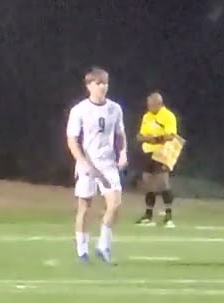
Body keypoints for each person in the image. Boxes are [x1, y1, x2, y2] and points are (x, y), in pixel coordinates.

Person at [65, 67, 128, 263]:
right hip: (87, 164)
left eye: (105, 83)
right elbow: (72, 139)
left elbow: (120, 134)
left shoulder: (115, 109)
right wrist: (83, 163)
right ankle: (82, 251)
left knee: (115, 203)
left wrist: (123, 153)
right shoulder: (79, 110)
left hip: (108, 163)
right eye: (98, 83)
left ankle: (103, 246)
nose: (103, 87)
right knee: (85, 207)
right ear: (89, 86)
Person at [135, 92, 179, 228]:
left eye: (152, 105)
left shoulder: (168, 116)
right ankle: (148, 216)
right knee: (148, 184)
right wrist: (152, 139)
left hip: (162, 153)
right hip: (147, 153)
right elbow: (140, 136)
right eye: (148, 105)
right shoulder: (147, 117)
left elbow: (170, 136)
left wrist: (154, 139)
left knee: (163, 184)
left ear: (159, 104)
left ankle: (169, 216)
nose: (149, 107)